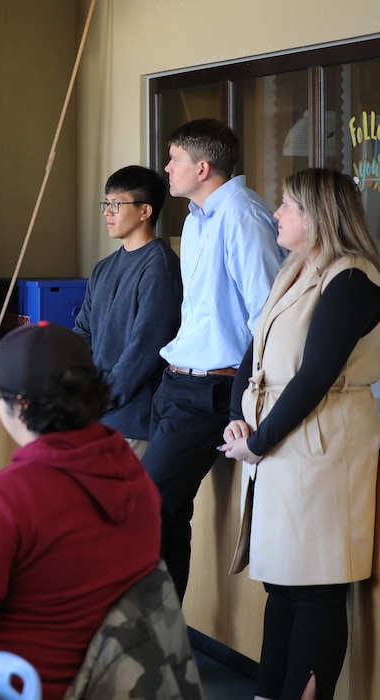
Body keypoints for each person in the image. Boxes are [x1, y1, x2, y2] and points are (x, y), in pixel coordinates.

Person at [0, 322, 165, 699]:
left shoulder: (7, 497)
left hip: (8, 685)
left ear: (22, 405)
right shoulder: (136, 477)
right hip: (112, 683)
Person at [221, 168, 380, 700]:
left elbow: (315, 376)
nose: (276, 214)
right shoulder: (295, 267)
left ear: (318, 217)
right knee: (282, 584)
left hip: (322, 445)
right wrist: (237, 414)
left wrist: (259, 441)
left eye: (287, 205)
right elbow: (254, 352)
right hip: (278, 440)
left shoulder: (352, 278)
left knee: (314, 586)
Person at [142, 117, 283, 602]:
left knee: (146, 503)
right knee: (167, 510)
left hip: (212, 389)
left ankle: (153, 637)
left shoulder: (243, 215)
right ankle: (165, 639)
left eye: (174, 159)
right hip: (175, 381)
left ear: (202, 167)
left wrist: (243, 400)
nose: (167, 168)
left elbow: (267, 316)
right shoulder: (197, 219)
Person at [73, 165, 182, 456]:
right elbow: (83, 333)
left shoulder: (160, 266)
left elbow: (144, 350)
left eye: (116, 205)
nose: (108, 212)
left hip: (133, 420)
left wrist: (101, 397)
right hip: (97, 414)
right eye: (106, 204)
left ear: (145, 211)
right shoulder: (103, 268)